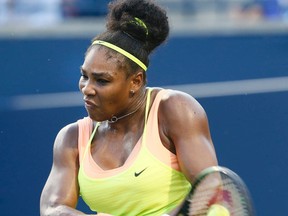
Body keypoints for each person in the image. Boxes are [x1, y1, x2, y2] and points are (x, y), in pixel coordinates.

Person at [40, 0, 218, 215]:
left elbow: (211, 192)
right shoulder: (71, 139)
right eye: (84, 76)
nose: (87, 88)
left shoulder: (175, 109)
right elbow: (52, 208)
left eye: (102, 80)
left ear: (135, 81)